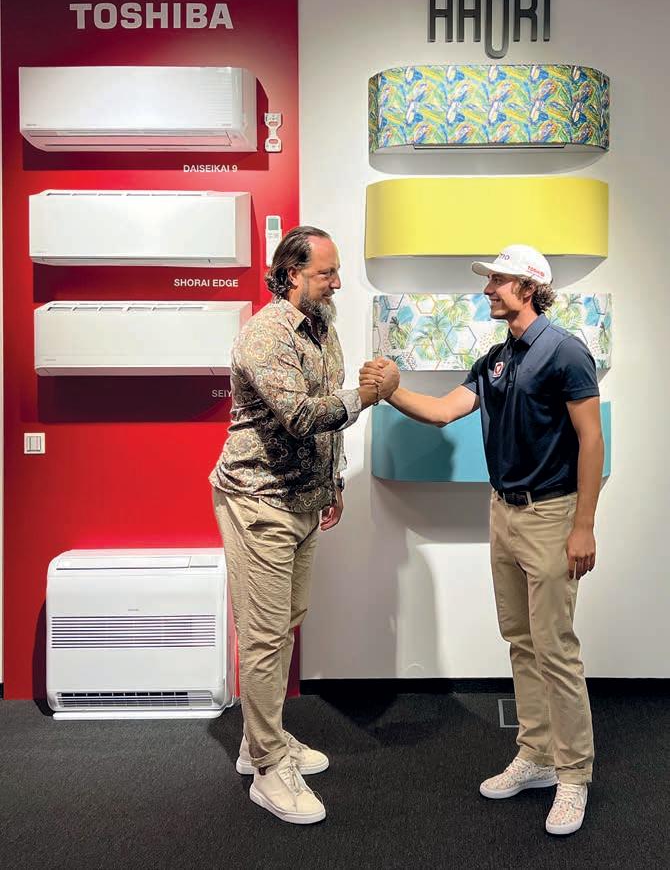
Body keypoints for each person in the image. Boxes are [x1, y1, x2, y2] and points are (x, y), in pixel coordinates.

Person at [361, 244, 603, 836]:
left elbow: (591, 440)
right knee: (521, 641)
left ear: (529, 287)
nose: (488, 289)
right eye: (490, 280)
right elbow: (444, 411)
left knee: (556, 649)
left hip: (552, 515)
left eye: (498, 280)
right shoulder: (496, 359)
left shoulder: (566, 351)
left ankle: (574, 774)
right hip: (503, 512)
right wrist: (391, 389)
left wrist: (584, 524)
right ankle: (536, 755)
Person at [211, 225, 398, 825]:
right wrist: (367, 396)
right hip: (258, 500)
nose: (337, 282)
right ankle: (268, 769)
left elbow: (326, 415)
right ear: (291, 274)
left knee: (286, 622)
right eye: (326, 273)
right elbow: (299, 415)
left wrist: (332, 483)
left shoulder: (323, 329)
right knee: (264, 636)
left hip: (302, 499)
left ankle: (257, 741)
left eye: (336, 271)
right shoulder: (266, 334)